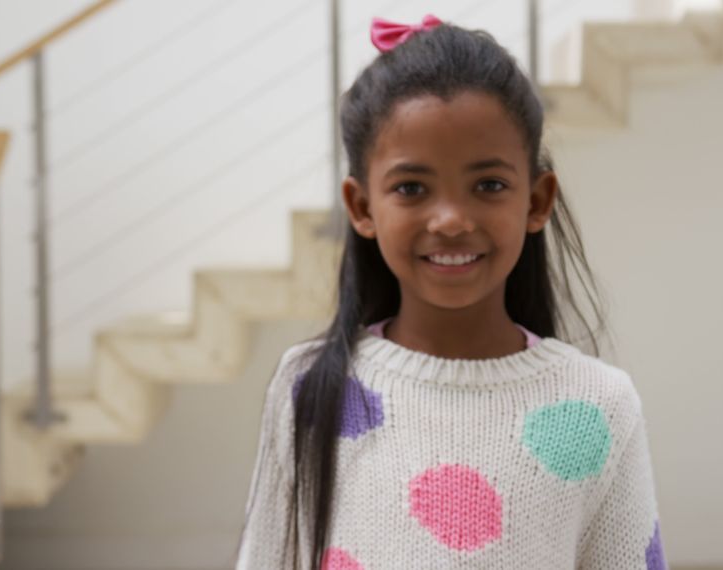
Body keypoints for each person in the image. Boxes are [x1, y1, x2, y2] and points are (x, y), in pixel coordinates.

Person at [233, 13, 666, 570]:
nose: (452, 220)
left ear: (536, 201)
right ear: (362, 207)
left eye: (489, 185)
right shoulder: (312, 389)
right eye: (412, 188)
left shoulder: (597, 404)